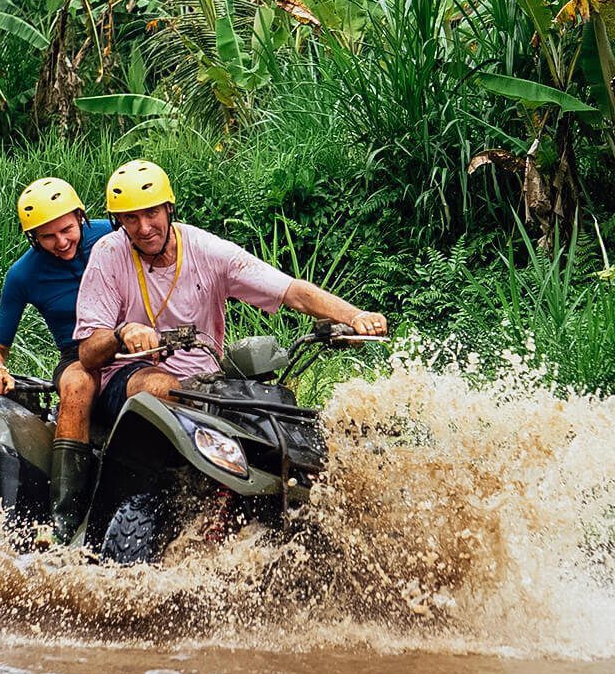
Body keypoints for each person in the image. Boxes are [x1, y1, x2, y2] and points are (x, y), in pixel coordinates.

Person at [69, 160, 387, 535]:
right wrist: (122, 332)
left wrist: (355, 316)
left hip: (206, 385)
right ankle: (103, 512)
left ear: (169, 208)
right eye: (130, 218)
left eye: (151, 213)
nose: (143, 227)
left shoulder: (206, 250)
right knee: (160, 388)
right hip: (129, 378)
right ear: (118, 221)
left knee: (275, 411)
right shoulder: (108, 254)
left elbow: (292, 291)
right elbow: (88, 352)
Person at [0, 177, 110, 541]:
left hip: (132, 343)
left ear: (81, 217)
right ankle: (63, 522)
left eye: (67, 229)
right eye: (47, 237)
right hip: (77, 356)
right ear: (33, 237)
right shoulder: (23, 274)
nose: (61, 242)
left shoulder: (112, 234)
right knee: (76, 383)